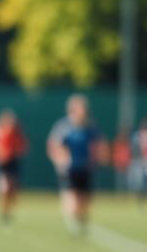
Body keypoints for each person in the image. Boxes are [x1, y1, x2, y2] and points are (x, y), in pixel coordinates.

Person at [46, 94, 107, 234]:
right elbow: (53, 145)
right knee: (72, 196)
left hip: (85, 167)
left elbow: (99, 143)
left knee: (85, 198)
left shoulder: (90, 126)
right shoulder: (63, 127)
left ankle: (81, 219)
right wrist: (60, 160)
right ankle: (72, 221)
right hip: (69, 168)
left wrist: (99, 157)